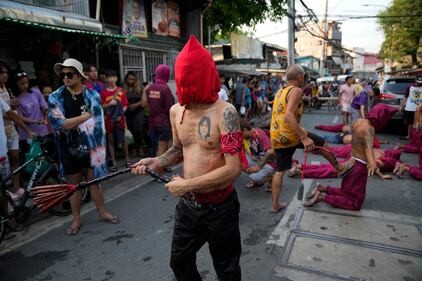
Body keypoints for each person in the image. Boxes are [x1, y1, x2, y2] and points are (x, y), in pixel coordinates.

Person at [132, 35, 242, 281]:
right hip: (189, 206)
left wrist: (187, 184)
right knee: (179, 262)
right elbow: (179, 149)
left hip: (220, 208)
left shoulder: (226, 113)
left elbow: (234, 169)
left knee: (227, 269)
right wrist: (157, 162)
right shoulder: (176, 111)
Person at [48, 58, 118, 236]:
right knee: (74, 186)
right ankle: (76, 219)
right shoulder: (55, 96)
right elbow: (61, 124)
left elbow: (95, 116)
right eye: (62, 74)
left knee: (94, 182)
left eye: (69, 74)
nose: (65, 77)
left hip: (92, 145)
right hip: (68, 147)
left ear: (80, 76)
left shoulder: (92, 94)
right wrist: (85, 116)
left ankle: (102, 212)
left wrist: (76, 120)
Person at [269, 65, 326, 213]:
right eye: (304, 75)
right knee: (320, 143)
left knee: (280, 170)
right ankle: (339, 167)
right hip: (290, 135)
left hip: (276, 135)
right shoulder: (297, 90)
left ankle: (275, 205)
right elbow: (288, 115)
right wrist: (303, 137)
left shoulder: (281, 90)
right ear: (299, 76)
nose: (305, 78)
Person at [305, 118, 378, 210]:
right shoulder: (369, 128)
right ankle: (322, 197)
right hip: (359, 164)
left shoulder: (358, 122)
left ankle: (323, 189)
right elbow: (368, 148)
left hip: (351, 160)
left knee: (347, 191)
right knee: (355, 202)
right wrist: (372, 163)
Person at [0, 62, 34, 196]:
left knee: (15, 157)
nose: (5, 75)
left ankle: (16, 187)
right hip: (2, 130)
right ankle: (6, 191)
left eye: (6, 73)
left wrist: (14, 106)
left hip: (11, 129)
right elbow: (7, 114)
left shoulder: (7, 89)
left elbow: (11, 111)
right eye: (2, 73)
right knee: (4, 162)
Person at [12, 71, 49, 156]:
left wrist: (44, 110)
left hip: (42, 130)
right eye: (22, 83)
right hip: (27, 133)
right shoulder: (16, 99)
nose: (25, 85)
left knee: (46, 157)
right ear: (16, 84)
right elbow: (20, 118)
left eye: (26, 82)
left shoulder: (35, 92)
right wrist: (36, 122)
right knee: (31, 159)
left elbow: (43, 105)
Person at [100, 70, 130, 171]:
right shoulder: (103, 92)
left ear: (116, 78)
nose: (111, 79)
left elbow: (125, 105)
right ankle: (114, 163)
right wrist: (109, 104)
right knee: (110, 141)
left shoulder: (121, 91)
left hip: (120, 119)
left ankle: (127, 160)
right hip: (109, 120)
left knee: (123, 139)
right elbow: (101, 106)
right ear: (106, 79)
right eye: (109, 77)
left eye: (113, 77)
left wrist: (121, 115)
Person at [142, 64, 174, 157]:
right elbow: (169, 108)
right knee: (162, 149)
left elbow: (144, 104)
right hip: (164, 123)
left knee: (154, 147)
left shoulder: (150, 87)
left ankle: (154, 168)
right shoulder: (165, 88)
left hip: (152, 122)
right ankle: (158, 170)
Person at [240, 119, 275, 190]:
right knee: (239, 163)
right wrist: (246, 167)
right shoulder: (247, 137)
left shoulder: (260, 134)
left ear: (245, 129)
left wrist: (259, 166)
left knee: (255, 178)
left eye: (240, 134)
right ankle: (260, 176)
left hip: (271, 162)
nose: (239, 136)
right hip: (258, 159)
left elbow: (271, 151)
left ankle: (273, 177)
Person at [123, 71, 146, 157]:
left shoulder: (140, 88)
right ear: (126, 80)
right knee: (130, 131)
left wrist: (135, 105)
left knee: (138, 130)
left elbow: (144, 101)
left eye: (133, 79)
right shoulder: (123, 89)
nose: (131, 81)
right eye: (129, 79)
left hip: (138, 112)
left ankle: (140, 147)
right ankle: (133, 149)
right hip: (127, 113)